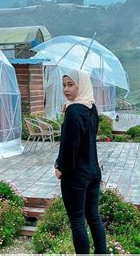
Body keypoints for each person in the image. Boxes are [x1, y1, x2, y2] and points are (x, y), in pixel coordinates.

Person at [54, 70, 107, 254]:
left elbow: (70, 145)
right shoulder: (91, 108)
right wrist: (68, 111)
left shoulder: (74, 111)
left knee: (77, 222)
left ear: (81, 85)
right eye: (64, 85)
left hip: (76, 175)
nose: (66, 89)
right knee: (93, 218)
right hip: (93, 171)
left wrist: (60, 167)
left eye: (71, 84)